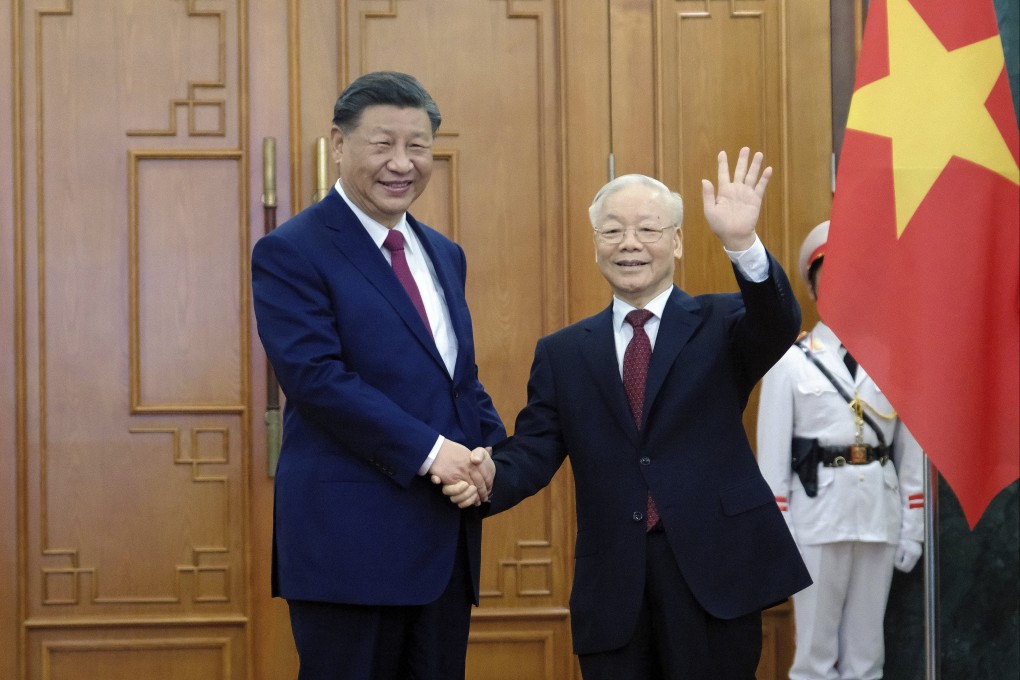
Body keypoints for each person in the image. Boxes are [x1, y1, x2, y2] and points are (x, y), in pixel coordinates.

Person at [441, 149, 812, 679]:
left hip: (715, 573)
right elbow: (536, 448)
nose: (629, 243)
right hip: (614, 585)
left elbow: (778, 321)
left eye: (648, 229)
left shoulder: (722, 322)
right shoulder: (564, 352)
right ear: (596, 245)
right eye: (612, 231)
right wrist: (488, 475)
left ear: (677, 241)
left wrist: (741, 242)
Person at [251, 71, 505, 680]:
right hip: (349, 549)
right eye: (382, 144)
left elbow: (457, 378)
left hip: (441, 544)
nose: (402, 163)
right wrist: (435, 452)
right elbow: (317, 380)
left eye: (418, 146)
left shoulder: (444, 253)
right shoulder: (292, 250)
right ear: (339, 144)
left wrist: (487, 455)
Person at [755, 220, 924, 680]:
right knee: (814, 655)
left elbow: (911, 454)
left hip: (879, 515)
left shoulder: (894, 361)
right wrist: (781, 534)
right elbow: (772, 461)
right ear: (813, 290)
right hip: (814, 520)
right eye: (830, 279)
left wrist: (913, 528)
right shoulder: (790, 362)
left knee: (867, 657)